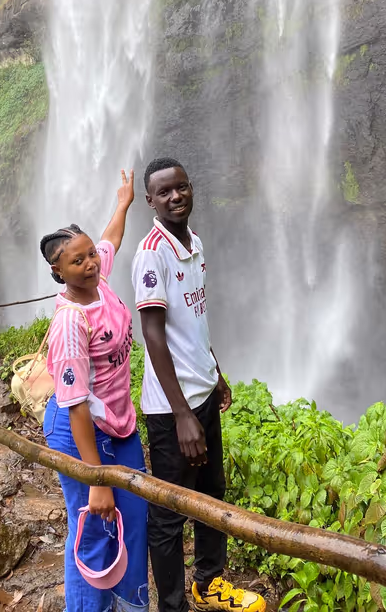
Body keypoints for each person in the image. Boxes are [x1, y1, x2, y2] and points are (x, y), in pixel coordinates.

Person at [132, 158, 266, 612]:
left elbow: (193, 322)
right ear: (149, 200)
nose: (176, 197)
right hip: (173, 410)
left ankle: (209, 583)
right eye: (164, 192)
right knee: (169, 513)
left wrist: (215, 371)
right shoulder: (152, 251)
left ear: (192, 189)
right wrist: (183, 414)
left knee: (213, 492)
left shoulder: (196, 243)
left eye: (182, 187)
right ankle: (171, 606)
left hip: (202, 393)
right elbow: (152, 333)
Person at [40, 170, 148, 612]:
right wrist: (95, 479)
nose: (90, 263)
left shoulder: (98, 279)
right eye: (78, 261)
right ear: (58, 271)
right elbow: (76, 405)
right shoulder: (70, 324)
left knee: (135, 518)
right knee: (94, 529)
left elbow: (110, 240)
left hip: (119, 425)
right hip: (81, 430)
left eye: (90, 256)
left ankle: (129, 604)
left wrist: (123, 204)